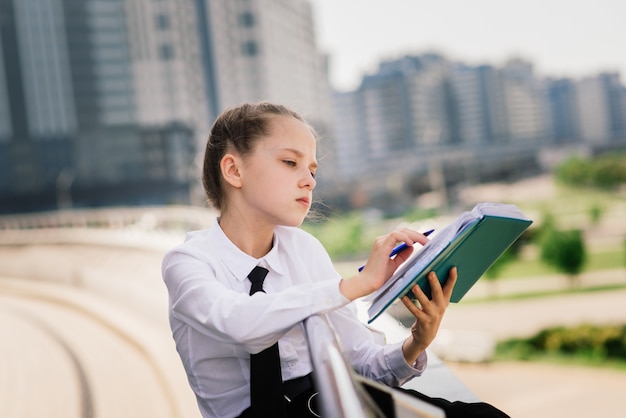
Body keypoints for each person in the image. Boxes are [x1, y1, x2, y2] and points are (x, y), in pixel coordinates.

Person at [162, 101, 509, 418]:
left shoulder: (304, 249)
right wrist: (355, 285)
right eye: (290, 162)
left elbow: (361, 364)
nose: (309, 180)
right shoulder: (187, 262)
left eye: (312, 170)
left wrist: (417, 340)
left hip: (334, 403)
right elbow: (241, 325)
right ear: (234, 171)